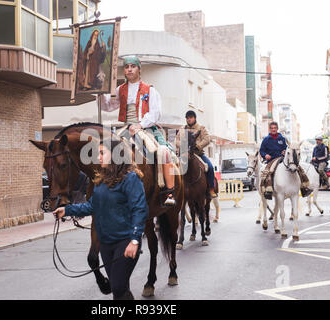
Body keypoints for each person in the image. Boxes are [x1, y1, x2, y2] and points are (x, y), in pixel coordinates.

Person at [53, 139, 148, 300]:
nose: (98, 157)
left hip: (125, 242)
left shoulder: (131, 179)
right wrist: (67, 210)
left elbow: (139, 210)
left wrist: (134, 240)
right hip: (106, 244)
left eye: (102, 153)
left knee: (117, 288)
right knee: (120, 289)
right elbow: (91, 206)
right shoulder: (100, 181)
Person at [100, 56, 176, 206]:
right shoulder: (120, 89)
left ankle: (170, 192)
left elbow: (155, 113)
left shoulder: (150, 90)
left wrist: (140, 125)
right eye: (126, 66)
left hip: (146, 127)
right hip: (126, 128)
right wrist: (101, 92)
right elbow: (107, 106)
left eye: (132, 66)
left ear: (139, 69)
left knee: (164, 152)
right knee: (106, 151)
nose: (129, 69)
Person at [259, 122, 311, 200]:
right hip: (271, 160)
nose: (273, 129)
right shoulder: (266, 140)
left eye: (275, 128)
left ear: (277, 129)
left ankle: (304, 188)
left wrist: (284, 151)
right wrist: (265, 155)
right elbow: (261, 150)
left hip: (282, 158)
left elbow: (287, 148)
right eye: (272, 128)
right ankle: (267, 190)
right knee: (267, 171)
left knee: (299, 169)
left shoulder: (282, 139)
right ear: (270, 129)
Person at [176, 110, 217, 198]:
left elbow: (207, 139)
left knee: (209, 167)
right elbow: (177, 140)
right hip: (185, 154)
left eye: (190, 118)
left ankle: (211, 189)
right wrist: (183, 145)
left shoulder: (201, 128)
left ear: (195, 118)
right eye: (187, 118)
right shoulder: (182, 129)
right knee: (175, 168)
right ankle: (175, 190)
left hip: (198, 154)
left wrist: (198, 146)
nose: (189, 120)